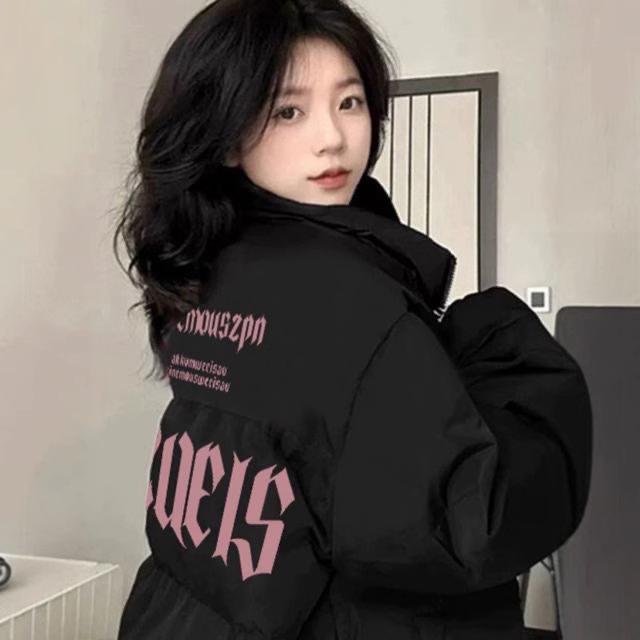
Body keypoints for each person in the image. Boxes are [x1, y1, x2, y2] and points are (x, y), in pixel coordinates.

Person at [112, 0, 593, 638]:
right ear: (225, 136)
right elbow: (475, 520)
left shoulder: (202, 264)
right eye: (288, 111)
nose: (333, 138)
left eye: (350, 102)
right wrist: (502, 343)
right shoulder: (346, 300)